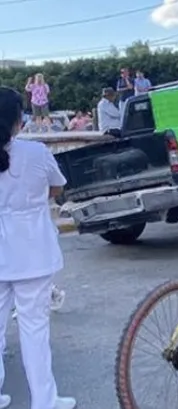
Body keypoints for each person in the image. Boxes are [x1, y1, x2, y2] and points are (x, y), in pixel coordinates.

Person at [0, 86, 76, 409]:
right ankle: (45, 401)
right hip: (32, 251)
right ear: (18, 120)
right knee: (34, 331)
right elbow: (58, 186)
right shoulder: (35, 152)